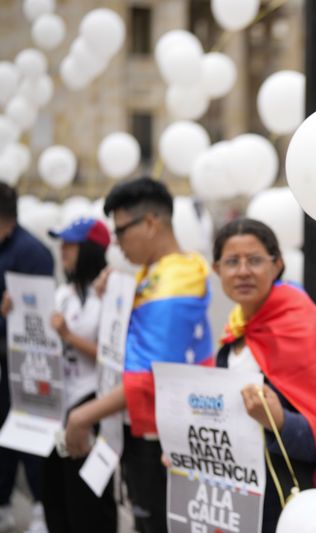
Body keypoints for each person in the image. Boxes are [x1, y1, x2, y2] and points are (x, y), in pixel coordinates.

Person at [63, 177, 214, 533]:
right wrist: (114, 296)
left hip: (160, 439)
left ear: (150, 223)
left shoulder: (176, 280)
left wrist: (83, 416)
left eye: (121, 231)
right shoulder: (157, 272)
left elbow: (150, 377)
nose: (116, 242)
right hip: (148, 433)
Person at [212, 218, 316, 532]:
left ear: (278, 265)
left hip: (289, 502)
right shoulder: (235, 332)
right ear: (217, 270)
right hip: (241, 502)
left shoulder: (305, 327)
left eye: (255, 260)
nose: (243, 271)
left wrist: (279, 420)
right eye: (232, 262)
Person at [42, 218, 117, 532]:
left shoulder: (111, 294)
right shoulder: (62, 293)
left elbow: (113, 358)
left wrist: (69, 336)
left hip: (93, 404)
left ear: (90, 249)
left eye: (71, 245)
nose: (63, 252)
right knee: (55, 493)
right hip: (56, 405)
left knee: (85, 498)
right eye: (62, 244)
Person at [0, 183, 52, 533]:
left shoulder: (32, 252)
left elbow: (38, 313)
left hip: (27, 359)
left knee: (30, 429)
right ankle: (3, 500)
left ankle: (40, 505)